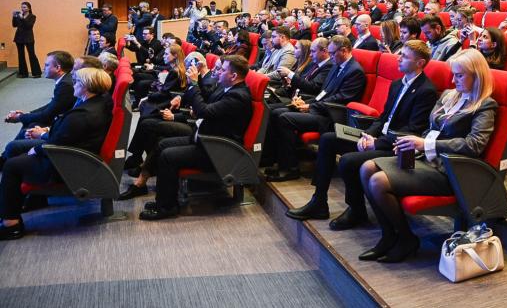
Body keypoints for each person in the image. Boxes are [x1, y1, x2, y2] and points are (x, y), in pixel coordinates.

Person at [358, 49, 497, 262]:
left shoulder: (485, 105)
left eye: (459, 75)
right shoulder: (450, 95)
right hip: (426, 159)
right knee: (366, 167)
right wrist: (412, 146)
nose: (453, 80)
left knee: (378, 181)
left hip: (449, 171)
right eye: (453, 74)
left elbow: (474, 145)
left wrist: (425, 144)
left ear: (477, 76)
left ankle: (406, 238)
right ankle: (388, 236)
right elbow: (430, 130)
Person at [285, 40, 438, 225]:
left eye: (404, 57)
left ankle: (357, 211)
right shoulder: (397, 84)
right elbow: (383, 118)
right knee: (328, 139)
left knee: (348, 161)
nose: (398, 58)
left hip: (396, 146)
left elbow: (412, 131)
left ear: (420, 63)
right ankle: (319, 202)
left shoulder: (426, 90)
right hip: (378, 136)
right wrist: (368, 134)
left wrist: (376, 143)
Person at [0, 68, 113, 239]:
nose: (73, 85)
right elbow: (65, 136)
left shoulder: (82, 115)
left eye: (76, 82)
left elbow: (58, 143)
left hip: (65, 164)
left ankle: (11, 225)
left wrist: (36, 149)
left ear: (86, 86)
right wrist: (44, 135)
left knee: (11, 166)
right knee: (17, 151)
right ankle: (15, 202)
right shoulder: (99, 102)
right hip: (72, 154)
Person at [137, 55, 253, 220]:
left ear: (233, 76)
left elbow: (204, 111)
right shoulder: (226, 88)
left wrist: (193, 84)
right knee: (162, 144)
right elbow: (207, 99)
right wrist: (191, 89)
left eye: (222, 70)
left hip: (217, 150)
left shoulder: (238, 96)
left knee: (168, 156)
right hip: (205, 139)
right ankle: (163, 199)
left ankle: (167, 207)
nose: (217, 72)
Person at [264, 36, 366, 181]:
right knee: (276, 112)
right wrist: (305, 102)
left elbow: (340, 99)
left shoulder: (355, 71)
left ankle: (290, 169)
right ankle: (277, 160)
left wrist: (311, 105)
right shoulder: (337, 65)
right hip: (320, 108)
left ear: (343, 51)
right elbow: (323, 93)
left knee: (284, 118)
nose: (330, 56)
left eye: (332, 53)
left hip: (332, 116)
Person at [1, 51, 76, 170]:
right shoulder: (65, 80)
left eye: (47, 65)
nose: (43, 68)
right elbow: (51, 105)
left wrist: (19, 117)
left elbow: (47, 115)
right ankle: (5, 159)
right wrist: (27, 114)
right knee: (30, 123)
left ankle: (7, 161)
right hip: (59, 120)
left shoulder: (66, 85)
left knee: (24, 133)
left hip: (59, 127)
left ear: (58, 68)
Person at [12, 2, 41, 78]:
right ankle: (23, 73)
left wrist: (22, 18)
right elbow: (14, 25)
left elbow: (29, 26)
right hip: (19, 38)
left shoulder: (32, 16)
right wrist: (14, 17)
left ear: (29, 8)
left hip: (29, 38)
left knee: (32, 54)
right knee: (21, 55)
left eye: (24, 7)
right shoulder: (19, 15)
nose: (22, 9)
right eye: (22, 7)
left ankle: (36, 73)